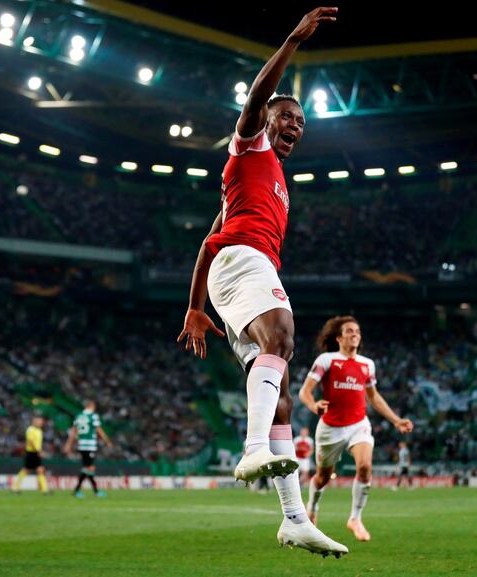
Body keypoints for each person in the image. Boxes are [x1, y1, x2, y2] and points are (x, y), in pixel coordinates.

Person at [176, 7, 347, 557]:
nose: (295, 125)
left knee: (280, 406)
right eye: (288, 116)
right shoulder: (251, 147)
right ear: (268, 119)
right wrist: (294, 40)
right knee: (284, 335)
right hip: (247, 262)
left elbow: (208, 239)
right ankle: (251, 449)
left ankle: (294, 518)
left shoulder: (274, 183)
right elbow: (256, 95)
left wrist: (195, 306)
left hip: (236, 266)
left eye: (301, 122)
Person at [300, 316, 414, 542]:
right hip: (330, 428)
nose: (355, 334)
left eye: (358, 332)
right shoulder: (327, 360)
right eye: (349, 331)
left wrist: (396, 420)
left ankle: (355, 518)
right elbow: (305, 392)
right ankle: (312, 509)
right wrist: (314, 405)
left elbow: (374, 397)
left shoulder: (367, 364)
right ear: (339, 337)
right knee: (322, 477)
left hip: (358, 425)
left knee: (364, 467)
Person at [64, 400, 114, 498]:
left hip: (81, 445)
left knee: (89, 468)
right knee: (88, 468)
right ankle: (79, 490)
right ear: (92, 406)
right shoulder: (93, 416)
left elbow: (74, 431)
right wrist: (107, 441)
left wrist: (68, 444)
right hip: (90, 445)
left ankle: (94, 491)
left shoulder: (79, 416)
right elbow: (98, 429)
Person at [11, 415, 51, 494]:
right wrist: (39, 451)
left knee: (40, 470)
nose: (41, 423)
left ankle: (44, 490)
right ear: (35, 421)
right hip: (31, 453)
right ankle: (15, 487)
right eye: (39, 421)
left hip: (36, 452)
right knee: (27, 470)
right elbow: (31, 441)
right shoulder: (30, 430)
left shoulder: (39, 431)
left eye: (41, 421)